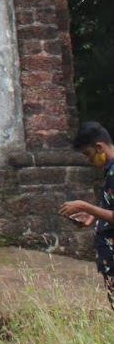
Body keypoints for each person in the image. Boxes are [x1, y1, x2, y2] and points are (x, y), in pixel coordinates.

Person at [59, 120, 114, 311]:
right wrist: (92, 217)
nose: (89, 160)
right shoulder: (109, 172)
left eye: (88, 154)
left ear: (99, 147)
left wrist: (86, 207)